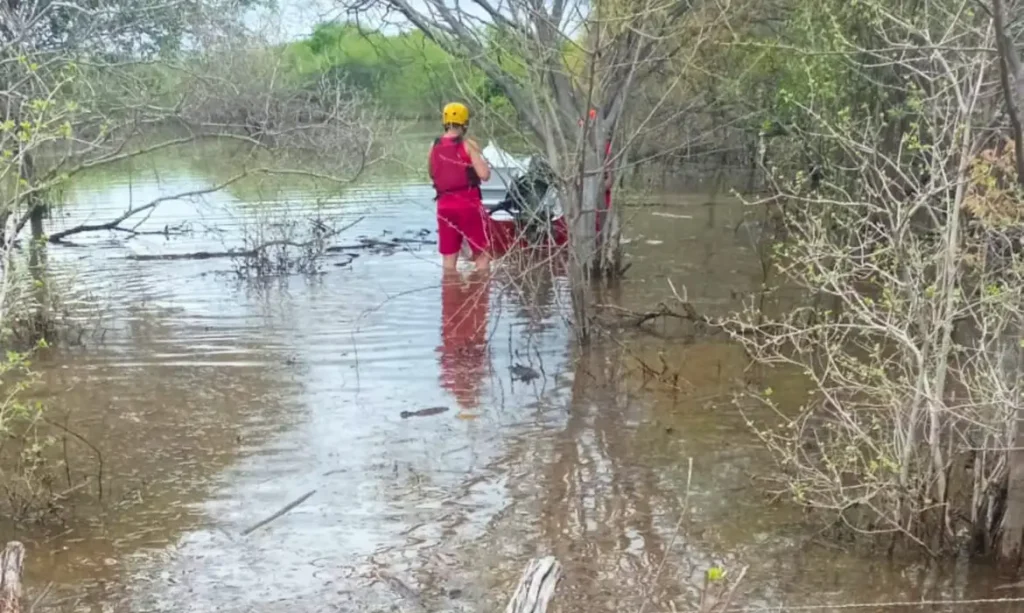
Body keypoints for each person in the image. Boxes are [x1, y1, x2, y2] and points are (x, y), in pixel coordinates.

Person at [428, 102, 493, 272]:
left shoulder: (434, 146)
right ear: (465, 123)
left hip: (444, 207)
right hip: (468, 205)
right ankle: (482, 286)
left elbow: (432, 173)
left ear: (445, 122)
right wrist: (485, 165)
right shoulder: (469, 145)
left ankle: (449, 288)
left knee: (449, 259)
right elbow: (484, 175)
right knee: (482, 254)